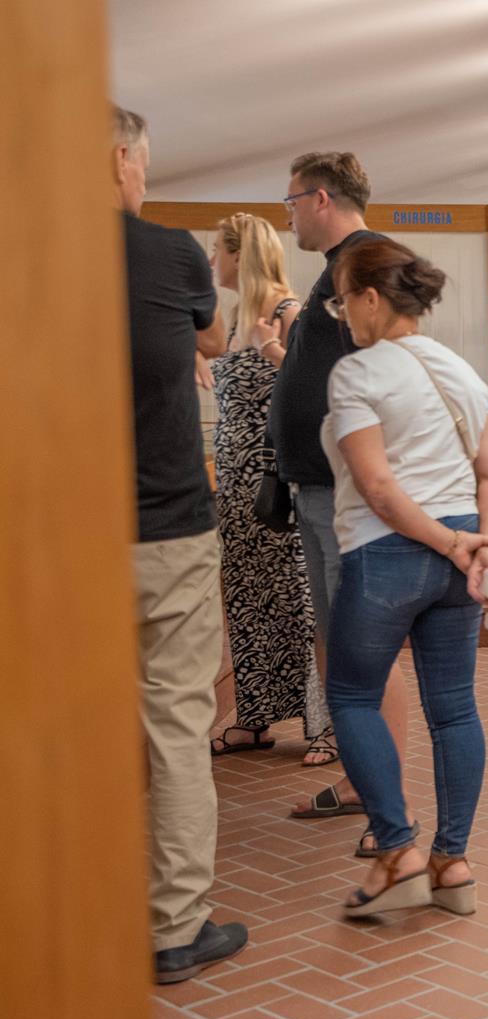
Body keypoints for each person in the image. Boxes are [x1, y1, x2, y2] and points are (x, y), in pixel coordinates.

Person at [320, 240, 488, 917]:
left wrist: (454, 542)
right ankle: (452, 862)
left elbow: (378, 489)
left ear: (371, 299)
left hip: (388, 554)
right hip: (459, 552)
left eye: (344, 300)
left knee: (351, 695)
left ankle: (398, 851)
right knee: (454, 706)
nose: (344, 314)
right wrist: (484, 546)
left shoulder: (357, 372)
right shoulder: (458, 369)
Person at [114, 104, 248, 982]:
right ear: (118, 159)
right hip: (166, 526)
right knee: (175, 724)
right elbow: (210, 335)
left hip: (53, 542)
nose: (146, 175)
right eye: (144, 162)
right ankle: (174, 926)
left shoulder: (27, 248)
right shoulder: (168, 253)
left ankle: (70, 907)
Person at [268, 152, 411, 855]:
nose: (289, 215)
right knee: (339, 643)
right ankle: (361, 781)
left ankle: (387, 800)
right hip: (318, 486)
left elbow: (393, 364)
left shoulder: (364, 260)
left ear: (321, 198)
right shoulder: (335, 268)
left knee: (368, 647)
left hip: (348, 489)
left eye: (292, 201)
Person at [203, 213, 333, 766]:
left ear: (240, 254)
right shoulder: (233, 317)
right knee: (248, 601)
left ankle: (325, 724)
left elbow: (313, 390)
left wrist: (270, 352)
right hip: (234, 485)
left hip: (275, 480)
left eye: (217, 249)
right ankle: (254, 719)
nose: (212, 260)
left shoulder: (287, 311)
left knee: (299, 602)